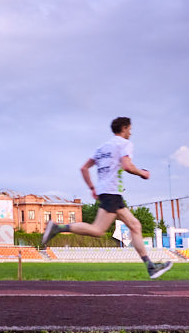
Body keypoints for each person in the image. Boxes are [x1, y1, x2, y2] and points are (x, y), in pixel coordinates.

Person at [40, 116, 173, 279]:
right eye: (130, 129)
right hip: (112, 193)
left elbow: (84, 168)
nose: (131, 133)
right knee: (98, 230)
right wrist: (142, 173)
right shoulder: (124, 144)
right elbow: (127, 165)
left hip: (107, 192)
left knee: (135, 225)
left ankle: (150, 267)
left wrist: (92, 188)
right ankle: (58, 228)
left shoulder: (102, 148)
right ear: (124, 128)